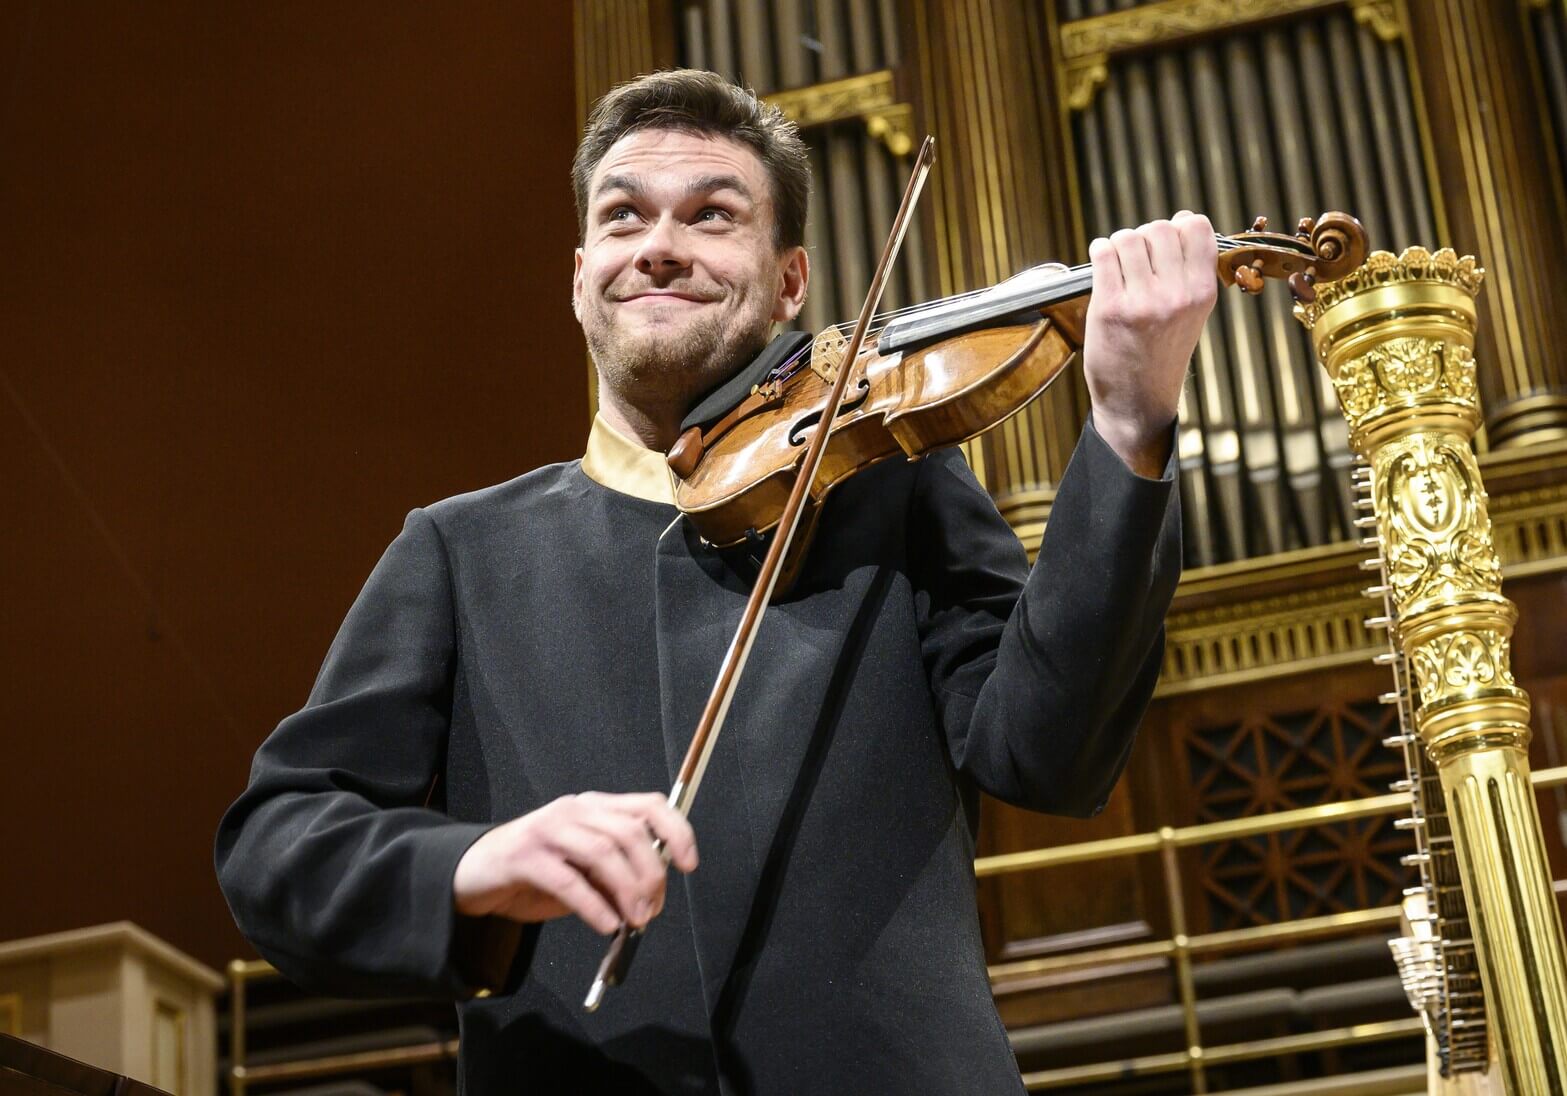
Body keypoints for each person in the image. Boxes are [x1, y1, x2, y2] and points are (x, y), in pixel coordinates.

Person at [216, 68, 1214, 1095]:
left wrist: (1128, 428)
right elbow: (277, 848)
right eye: (623, 216)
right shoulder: (459, 549)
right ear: (579, 274)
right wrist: (474, 864)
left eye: (712, 215)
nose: (659, 244)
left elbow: (1047, 753)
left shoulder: (891, 488)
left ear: (790, 283)